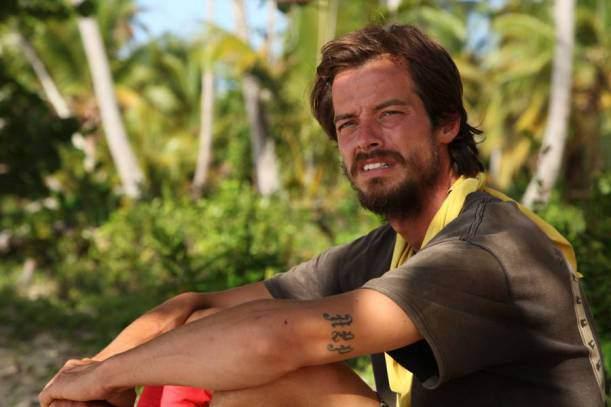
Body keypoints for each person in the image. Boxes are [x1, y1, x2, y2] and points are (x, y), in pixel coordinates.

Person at [39, 24, 605, 407]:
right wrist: (89, 379)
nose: (366, 139)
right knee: (201, 345)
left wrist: (107, 376)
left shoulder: (486, 248)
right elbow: (192, 309)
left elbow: (273, 342)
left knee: (266, 383)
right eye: (347, 124)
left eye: (389, 114)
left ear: (447, 124)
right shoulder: (387, 249)